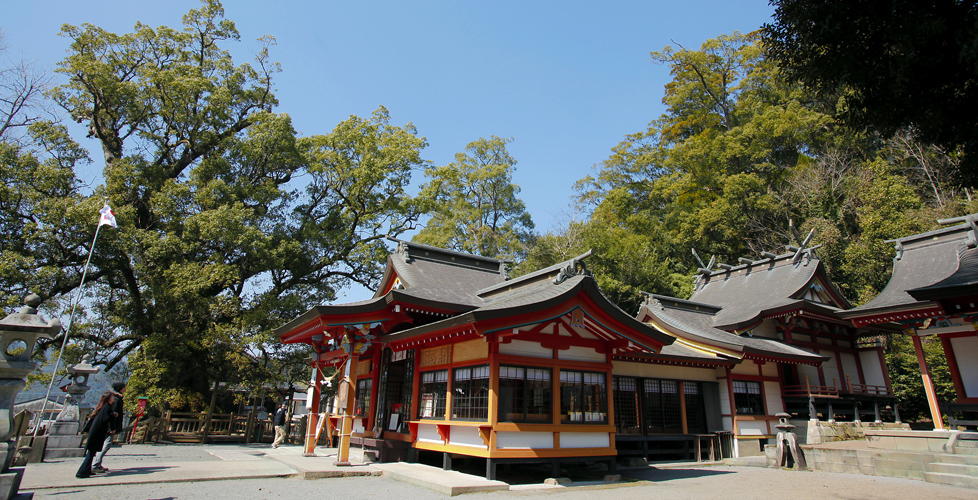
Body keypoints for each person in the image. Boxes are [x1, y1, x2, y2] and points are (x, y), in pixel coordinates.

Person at [76, 393, 114, 478]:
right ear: (108, 398)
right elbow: (106, 418)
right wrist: (113, 416)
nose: (113, 398)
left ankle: (87, 470)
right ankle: (81, 472)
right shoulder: (106, 407)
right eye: (112, 397)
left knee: (92, 453)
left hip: (95, 432)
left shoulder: (103, 407)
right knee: (91, 453)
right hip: (97, 432)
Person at [92, 381, 126, 473]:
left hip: (110, 426)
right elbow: (112, 415)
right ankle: (96, 464)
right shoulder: (116, 399)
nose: (125, 389)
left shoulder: (116, 398)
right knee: (106, 445)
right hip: (110, 426)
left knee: (105, 444)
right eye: (124, 387)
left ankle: (97, 463)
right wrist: (112, 427)